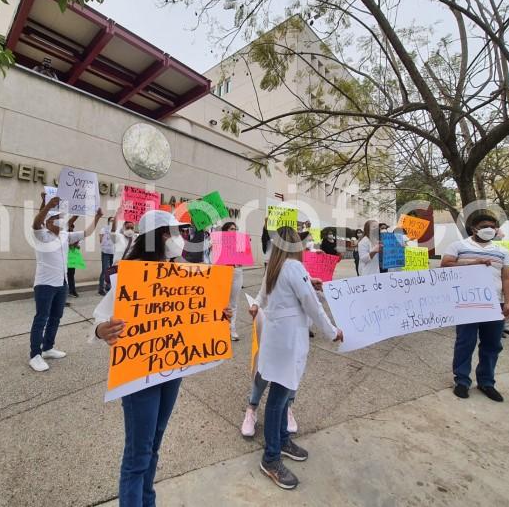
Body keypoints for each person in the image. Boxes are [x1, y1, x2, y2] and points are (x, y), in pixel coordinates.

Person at [92, 210, 232, 506]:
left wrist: (217, 316)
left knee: (154, 443)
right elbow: (101, 317)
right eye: (172, 233)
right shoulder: (130, 274)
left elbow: (194, 314)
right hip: (138, 375)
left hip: (171, 369)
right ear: (156, 238)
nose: (178, 239)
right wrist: (102, 329)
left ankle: (148, 500)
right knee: (137, 455)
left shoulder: (180, 273)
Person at [248, 226, 343, 490]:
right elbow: (312, 305)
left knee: (281, 394)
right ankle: (271, 457)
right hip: (288, 342)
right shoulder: (294, 269)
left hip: (278, 340)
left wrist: (308, 283)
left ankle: (281, 440)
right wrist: (332, 332)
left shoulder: (275, 268)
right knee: (279, 400)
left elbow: (268, 296)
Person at [441, 213, 509, 402]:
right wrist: (471, 263)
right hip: (467, 302)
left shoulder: (502, 251)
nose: (489, 229)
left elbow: (508, 277)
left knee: (492, 344)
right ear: (474, 228)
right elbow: (445, 265)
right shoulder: (459, 246)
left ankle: (486, 382)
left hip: (495, 304)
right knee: (465, 342)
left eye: (493, 225)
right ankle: (462, 381)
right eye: (485, 226)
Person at [29, 197, 102, 372]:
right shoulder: (41, 235)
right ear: (48, 222)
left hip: (62, 283)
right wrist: (48, 205)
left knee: (56, 317)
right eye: (56, 219)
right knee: (41, 318)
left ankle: (47, 348)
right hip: (45, 283)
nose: (61, 222)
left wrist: (97, 217)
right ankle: (35, 355)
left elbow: (86, 233)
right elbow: (36, 222)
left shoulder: (64, 236)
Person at [221, 221, 243, 341]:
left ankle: (232, 329)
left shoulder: (240, 242)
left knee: (234, 303)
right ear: (226, 230)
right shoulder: (219, 242)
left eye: (235, 229)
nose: (234, 231)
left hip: (237, 272)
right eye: (231, 229)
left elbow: (243, 259)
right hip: (224, 272)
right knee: (223, 302)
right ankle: (222, 328)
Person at [66, 217, 84, 298]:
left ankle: (72, 290)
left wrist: (76, 245)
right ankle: (66, 291)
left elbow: (79, 247)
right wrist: (70, 245)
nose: (71, 230)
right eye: (70, 228)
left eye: (72, 228)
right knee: (65, 275)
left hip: (72, 257)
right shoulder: (63, 235)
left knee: (71, 274)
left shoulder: (75, 236)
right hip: (65, 257)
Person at [98, 217, 116, 295]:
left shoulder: (116, 230)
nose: (113, 221)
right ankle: (101, 288)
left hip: (113, 252)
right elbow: (100, 239)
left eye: (113, 220)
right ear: (108, 221)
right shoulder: (103, 229)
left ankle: (108, 287)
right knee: (105, 270)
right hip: (105, 252)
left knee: (112, 270)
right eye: (111, 220)